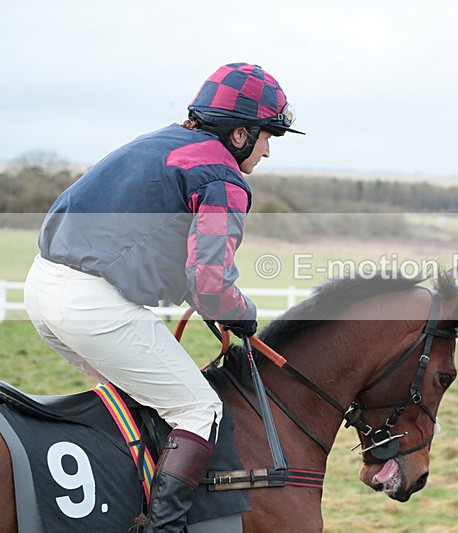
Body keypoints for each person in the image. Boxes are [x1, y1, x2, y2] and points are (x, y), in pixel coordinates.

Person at [23, 62, 303, 532]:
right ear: (239, 135)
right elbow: (211, 282)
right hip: (93, 306)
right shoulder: (224, 178)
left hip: (42, 288)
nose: (269, 151)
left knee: (143, 405)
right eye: (267, 136)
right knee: (199, 409)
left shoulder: (161, 142)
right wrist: (242, 313)